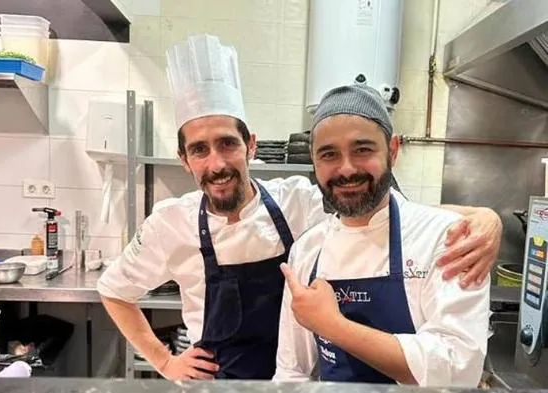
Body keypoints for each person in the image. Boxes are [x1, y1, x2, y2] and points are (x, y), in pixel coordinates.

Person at [97, 34, 500, 381]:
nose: (216, 163)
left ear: (250, 145)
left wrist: (483, 218)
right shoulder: (170, 222)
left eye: (227, 144)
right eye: (199, 150)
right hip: (218, 385)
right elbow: (113, 291)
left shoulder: (297, 201)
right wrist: (165, 362)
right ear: (184, 159)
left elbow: (379, 210)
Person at [273, 82, 491, 386]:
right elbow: (291, 372)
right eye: (329, 154)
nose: (346, 169)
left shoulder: (444, 237)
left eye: (362, 149)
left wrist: (334, 326)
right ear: (314, 160)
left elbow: (457, 368)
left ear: (393, 149)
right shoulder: (308, 249)